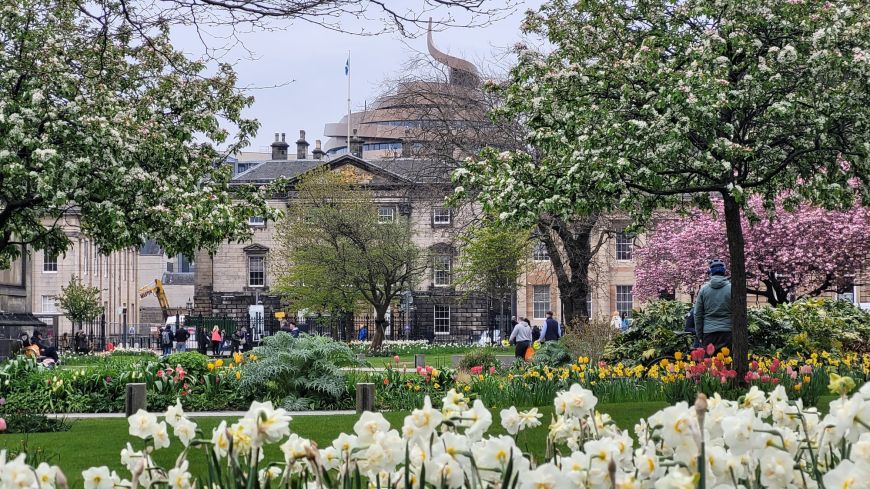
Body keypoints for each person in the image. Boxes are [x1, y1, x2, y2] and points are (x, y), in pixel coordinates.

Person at [694, 258, 732, 354]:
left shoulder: (703, 290)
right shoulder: (731, 288)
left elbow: (697, 314)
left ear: (710, 272)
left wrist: (699, 335)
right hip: (727, 331)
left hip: (709, 332)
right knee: (726, 364)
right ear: (724, 271)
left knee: (709, 365)